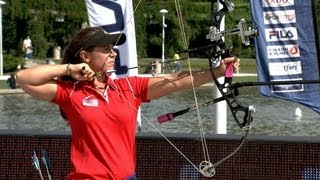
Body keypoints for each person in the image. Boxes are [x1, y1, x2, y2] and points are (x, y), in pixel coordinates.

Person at [16, 27, 239, 179]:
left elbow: (175, 81)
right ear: (85, 56)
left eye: (112, 48)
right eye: (105, 50)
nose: (113, 53)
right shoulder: (69, 91)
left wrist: (217, 71)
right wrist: (69, 69)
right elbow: (23, 79)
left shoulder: (129, 87)